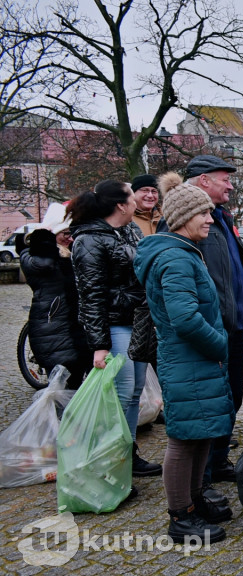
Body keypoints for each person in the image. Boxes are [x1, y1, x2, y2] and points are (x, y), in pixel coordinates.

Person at [172, 155, 243, 498]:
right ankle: (197, 484)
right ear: (204, 181)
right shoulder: (188, 223)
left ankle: (217, 462)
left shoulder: (219, 218)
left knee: (230, 396)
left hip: (233, 327)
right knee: (210, 404)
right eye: (225, 179)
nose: (231, 186)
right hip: (211, 332)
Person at [134, 172, 234, 545]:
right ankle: (181, 516)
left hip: (197, 360)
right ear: (182, 218)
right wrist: (220, 345)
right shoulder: (175, 258)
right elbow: (185, 318)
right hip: (188, 359)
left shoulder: (183, 252)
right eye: (203, 214)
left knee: (201, 433)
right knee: (183, 439)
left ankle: (194, 501)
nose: (211, 219)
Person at [68, 180, 163, 478]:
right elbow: (91, 296)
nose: (138, 200)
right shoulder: (89, 240)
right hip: (114, 325)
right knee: (123, 394)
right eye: (131, 196)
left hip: (136, 320)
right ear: (122, 204)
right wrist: (99, 344)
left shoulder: (129, 230)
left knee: (134, 392)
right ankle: (113, 463)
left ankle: (128, 453)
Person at [20, 203, 91, 389]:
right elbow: (41, 265)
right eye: (65, 233)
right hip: (53, 325)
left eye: (72, 232)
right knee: (65, 380)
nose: (70, 238)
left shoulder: (75, 252)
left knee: (81, 376)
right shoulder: (34, 253)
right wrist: (44, 241)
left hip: (77, 324)